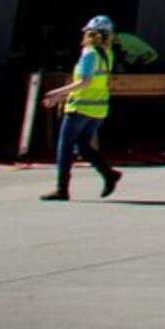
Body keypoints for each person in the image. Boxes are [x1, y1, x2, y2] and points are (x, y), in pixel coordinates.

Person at [38, 15, 123, 202]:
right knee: (84, 146)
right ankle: (108, 173)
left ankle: (62, 188)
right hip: (98, 108)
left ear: (90, 33)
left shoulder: (89, 53)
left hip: (81, 107)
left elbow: (84, 82)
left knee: (65, 147)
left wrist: (56, 93)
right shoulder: (107, 55)